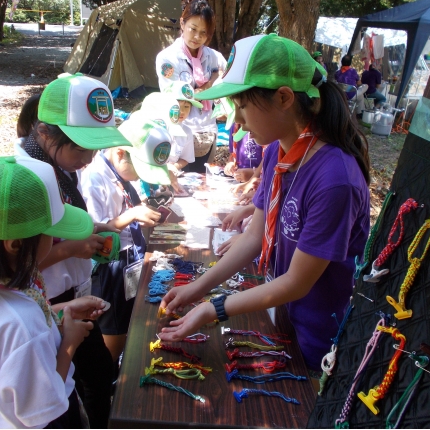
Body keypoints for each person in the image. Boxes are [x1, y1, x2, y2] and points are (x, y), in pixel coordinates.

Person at [158, 35, 371, 391]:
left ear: (284, 98)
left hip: (319, 339)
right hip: (283, 316)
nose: (237, 121)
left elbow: (297, 282)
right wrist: (198, 288)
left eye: (242, 106)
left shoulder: (335, 180)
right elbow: (254, 237)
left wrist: (215, 308)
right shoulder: (277, 151)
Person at [0, 155, 109, 428]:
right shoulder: (23, 325)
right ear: (16, 244)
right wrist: (69, 342)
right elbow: (47, 402)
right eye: (51, 235)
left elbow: (6, 345)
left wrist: (58, 312)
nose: (56, 241)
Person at [15, 73, 131, 428]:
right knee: (68, 385)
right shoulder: (29, 178)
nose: (89, 157)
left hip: (73, 294)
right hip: (45, 301)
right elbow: (19, 263)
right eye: (81, 147)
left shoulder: (58, 164)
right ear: (46, 132)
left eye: (94, 147)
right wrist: (73, 250)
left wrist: (94, 229)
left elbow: (66, 218)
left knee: (96, 374)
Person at [80, 117, 171, 363]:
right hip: (110, 268)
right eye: (140, 170)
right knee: (114, 329)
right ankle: (112, 380)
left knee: (129, 318)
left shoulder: (120, 174)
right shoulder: (94, 179)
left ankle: (122, 364)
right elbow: (94, 234)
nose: (140, 178)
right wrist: (130, 215)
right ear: (120, 153)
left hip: (130, 260)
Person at [155, 0, 227, 173]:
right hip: (180, 135)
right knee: (179, 183)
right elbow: (177, 98)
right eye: (193, 29)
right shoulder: (167, 59)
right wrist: (211, 83)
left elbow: (226, 86)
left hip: (209, 133)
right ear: (182, 23)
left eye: (204, 33)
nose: (197, 37)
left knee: (202, 184)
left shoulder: (215, 58)